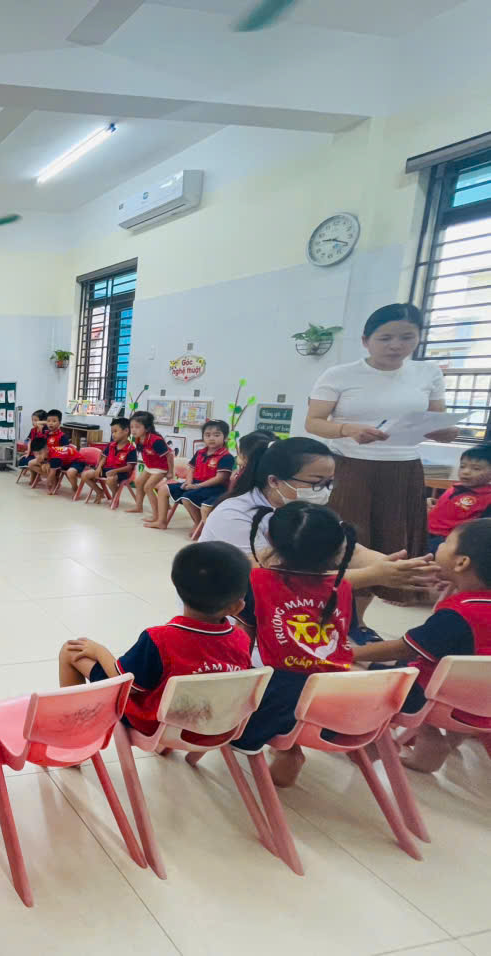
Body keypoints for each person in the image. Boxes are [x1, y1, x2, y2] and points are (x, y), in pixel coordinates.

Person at [305, 303, 461, 602]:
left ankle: (372, 610)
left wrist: (445, 431)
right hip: (350, 466)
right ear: (366, 340)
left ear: (419, 338)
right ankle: (341, 607)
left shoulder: (427, 373)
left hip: (403, 467)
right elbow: (313, 422)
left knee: (394, 539)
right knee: (349, 540)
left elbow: (436, 420)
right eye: (385, 338)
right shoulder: (340, 374)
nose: (396, 345)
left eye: (407, 337)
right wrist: (347, 429)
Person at [199, 436, 440, 600]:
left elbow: (347, 549)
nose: (323, 491)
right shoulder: (235, 514)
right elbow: (272, 578)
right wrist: (372, 575)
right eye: (315, 482)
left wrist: (401, 567)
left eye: (329, 483)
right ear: (274, 481)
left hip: (287, 605)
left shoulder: (308, 510)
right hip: (228, 605)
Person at [58, 541, 252, 735]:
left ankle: (73, 733)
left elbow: (126, 683)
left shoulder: (160, 639)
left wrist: (99, 651)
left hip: (154, 724)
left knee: (71, 650)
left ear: (175, 583)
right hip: (211, 722)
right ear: (237, 607)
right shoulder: (241, 639)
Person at [230, 501, 356, 787]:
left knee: (233, 723)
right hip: (341, 695)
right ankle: (292, 748)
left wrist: (236, 680)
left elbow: (245, 635)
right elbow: (342, 635)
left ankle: (288, 751)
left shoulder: (257, 580)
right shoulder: (343, 586)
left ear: (270, 539)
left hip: (282, 695)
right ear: (339, 547)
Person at [351, 518, 491, 772]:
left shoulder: (458, 614)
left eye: (446, 542)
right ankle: (453, 739)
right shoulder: (472, 606)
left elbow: (405, 647)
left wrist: (352, 653)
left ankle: (425, 738)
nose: (439, 546)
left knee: (368, 673)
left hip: (437, 703)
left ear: (462, 562)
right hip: (483, 707)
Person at [146, 419, 234, 531]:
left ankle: (198, 524)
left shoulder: (226, 456)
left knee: (186, 498)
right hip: (195, 484)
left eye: (216, 435)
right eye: (207, 435)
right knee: (163, 489)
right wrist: (188, 482)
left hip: (214, 488)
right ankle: (161, 522)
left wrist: (198, 486)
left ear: (225, 437)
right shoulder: (200, 452)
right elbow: (191, 469)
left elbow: (220, 478)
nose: (211, 438)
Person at [427, 444, 491, 554]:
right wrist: (435, 503)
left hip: (445, 540)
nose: (466, 472)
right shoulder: (457, 487)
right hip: (427, 530)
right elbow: (454, 506)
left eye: (476, 468)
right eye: (462, 466)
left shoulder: (487, 498)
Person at [127, 410, 175, 516]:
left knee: (148, 487)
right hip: (150, 466)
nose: (133, 430)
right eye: (132, 427)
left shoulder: (156, 441)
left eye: (137, 427)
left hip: (161, 468)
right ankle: (138, 507)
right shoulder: (137, 439)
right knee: (138, 482)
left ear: (147, 428)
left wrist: (170, 472)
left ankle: (157, 515)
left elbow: (170, 456)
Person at [80, 417, 136, 504]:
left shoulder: (131, 448)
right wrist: (99, 467)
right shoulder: (111, 445)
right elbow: (104, 457)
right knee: (85, 475)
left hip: (121, 473)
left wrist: (115, 471)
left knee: (110, 479)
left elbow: (129, 467)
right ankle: (99, 491)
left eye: (115, 431)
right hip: (107, 469)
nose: (113, 434)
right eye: (112, 432)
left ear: (126, 431)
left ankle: (115, 496)